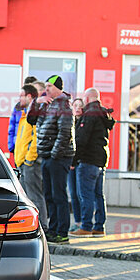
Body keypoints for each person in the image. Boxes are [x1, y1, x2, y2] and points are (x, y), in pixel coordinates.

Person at [71, 88, 115, 237]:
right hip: (101, 160)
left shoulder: (90, 114)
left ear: (88, 98)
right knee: (98, 195)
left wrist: (74, 159)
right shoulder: (103, 113)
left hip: (88, 159)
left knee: (86, 195)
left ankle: (86, 226)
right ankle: (99, 226)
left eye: (84, 98)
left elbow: (82, 140)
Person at [35, 75, 75, 244]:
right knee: (49, 195)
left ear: (58, 88)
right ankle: (53, 229)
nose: (47, 90)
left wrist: (54, 154)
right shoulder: (48, 104)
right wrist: (38, 102)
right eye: (45, 86)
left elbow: (65, 133)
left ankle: (62, 232)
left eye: (49, 86)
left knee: (59, 195)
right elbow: (33, 120)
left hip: (58, 157)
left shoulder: (64, 105)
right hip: (47, 155)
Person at [14, 84, 48, 232]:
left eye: (21, 95)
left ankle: (41, 227)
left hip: (30, 162)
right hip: (22, 162)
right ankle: (30, 226)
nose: (19, 98)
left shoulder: (34, 116)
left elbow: (36, 139)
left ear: (29, 97)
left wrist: (29, 158)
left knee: (35, 195)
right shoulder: (24, 115)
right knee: (26, 197)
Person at [8, 76, 38, 156]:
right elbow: (12, 126)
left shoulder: (37, 108)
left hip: (27, 148)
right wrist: (11, 145)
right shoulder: (18, 107)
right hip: (17, 147)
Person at [67, 98, 84, 233]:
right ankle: (77, 222)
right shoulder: (69, 122)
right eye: (75, 105)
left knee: (80, 194)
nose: (78, 108)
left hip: (78, 163)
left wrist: (74, 161)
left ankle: (83, 222)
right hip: (69, 163)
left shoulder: (84, 123)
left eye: (80, 105)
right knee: (72, 194)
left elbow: (81, 144)